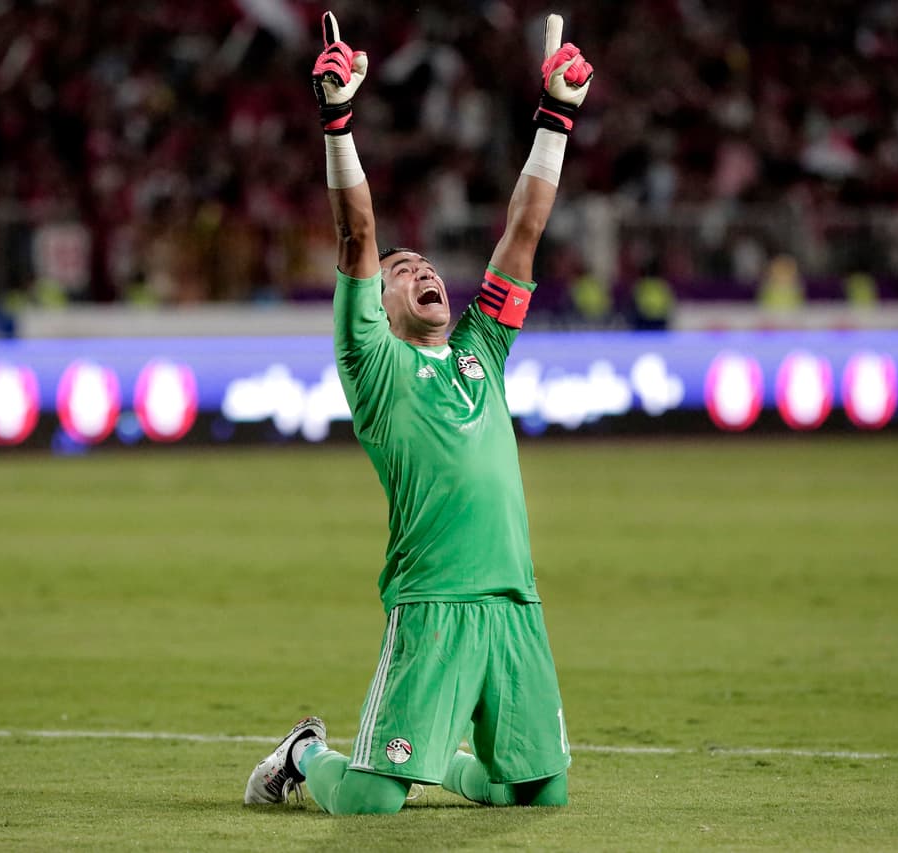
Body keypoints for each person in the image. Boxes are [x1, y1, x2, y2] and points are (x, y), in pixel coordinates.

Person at [244, 10, 593, 814]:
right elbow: (357, 230)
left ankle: (454, 756)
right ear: (381, 303)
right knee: (372, 801)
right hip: (432, 598)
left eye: (427, 264)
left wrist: (558, 118)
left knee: (541, 792)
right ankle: (307, 753)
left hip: (514, 598)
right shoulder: (376, 365)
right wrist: (337, 118)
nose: (421, 271)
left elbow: (526, 228)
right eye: (403, 271)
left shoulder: (484, 350)